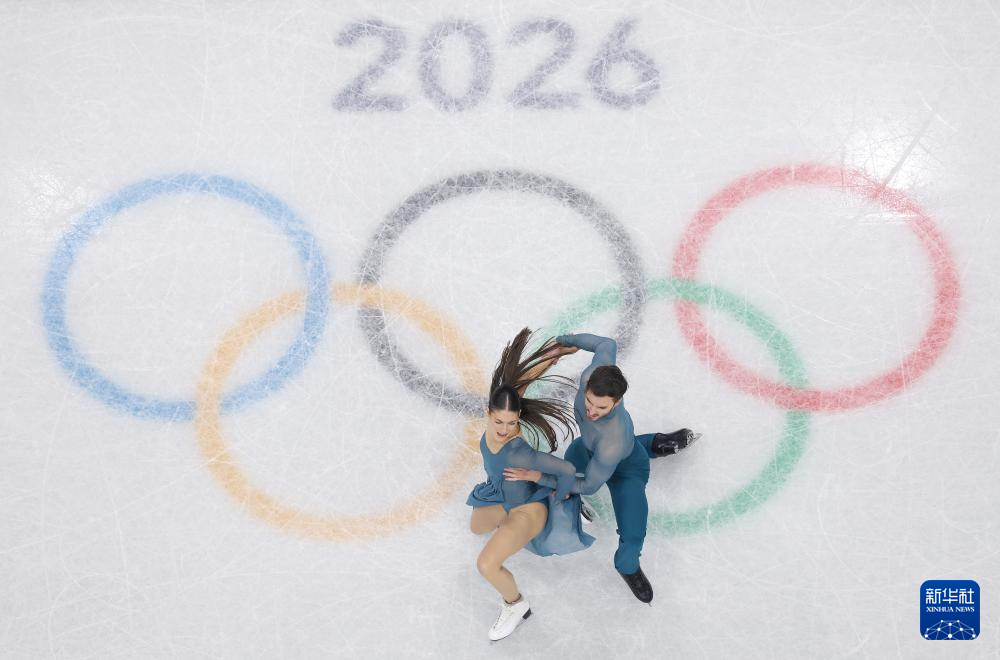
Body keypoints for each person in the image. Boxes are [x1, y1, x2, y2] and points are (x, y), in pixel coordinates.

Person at [504, 333, 700, 604]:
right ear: (587, 385)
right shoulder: (593, 376)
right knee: (561, 481)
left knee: (633, 533)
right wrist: (567, 341)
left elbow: (589, 485)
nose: (592, 411)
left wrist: (538, 476)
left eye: (601, 407)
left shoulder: (612, 443)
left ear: (617, 402)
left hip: (626, 469)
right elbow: (606, 345)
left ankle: (627, 566)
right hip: (585, 450)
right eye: (589, 402)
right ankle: (655, 443)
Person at [468, 328, 594, 641]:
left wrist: (556, 492)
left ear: (519, 418)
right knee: (476, 527)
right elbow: (519, 383)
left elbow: (567, 469)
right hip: (500, 495)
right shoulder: (501, 407)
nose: (504, 429)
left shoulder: (519, 451)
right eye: (499, 422)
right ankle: (515, 524)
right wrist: (553, 355)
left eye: (512, 423)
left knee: (487, 564)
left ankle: (516, 606)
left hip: (527, 509)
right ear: (488, 413)